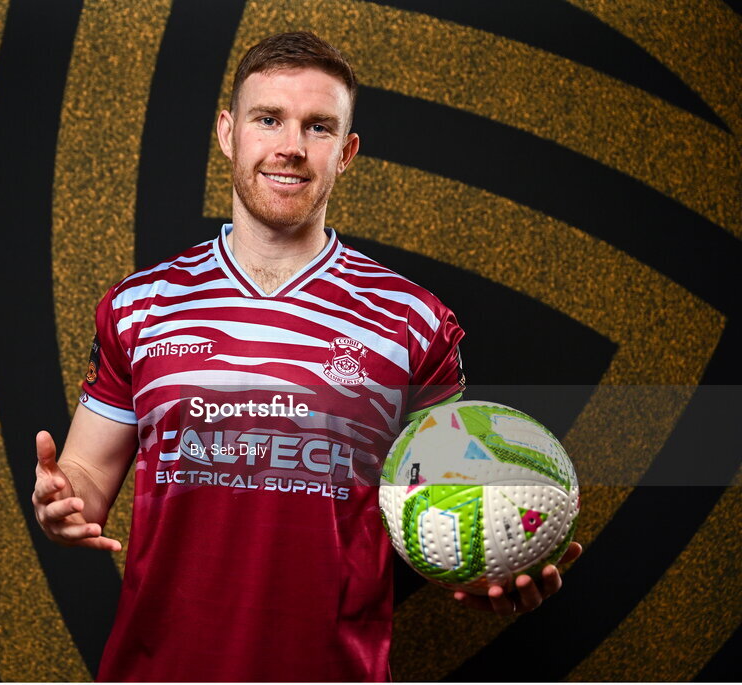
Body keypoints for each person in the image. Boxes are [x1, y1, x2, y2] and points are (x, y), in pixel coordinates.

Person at [32, 31, 581, 681]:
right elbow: (86, 483)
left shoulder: (414, 321)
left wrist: (494, 561)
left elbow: (451, 491)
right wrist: (60, 507)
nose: (291, 146)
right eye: (269, 119)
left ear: (346, 152)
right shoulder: (139, 306)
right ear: (227, 133)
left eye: (318, 126)